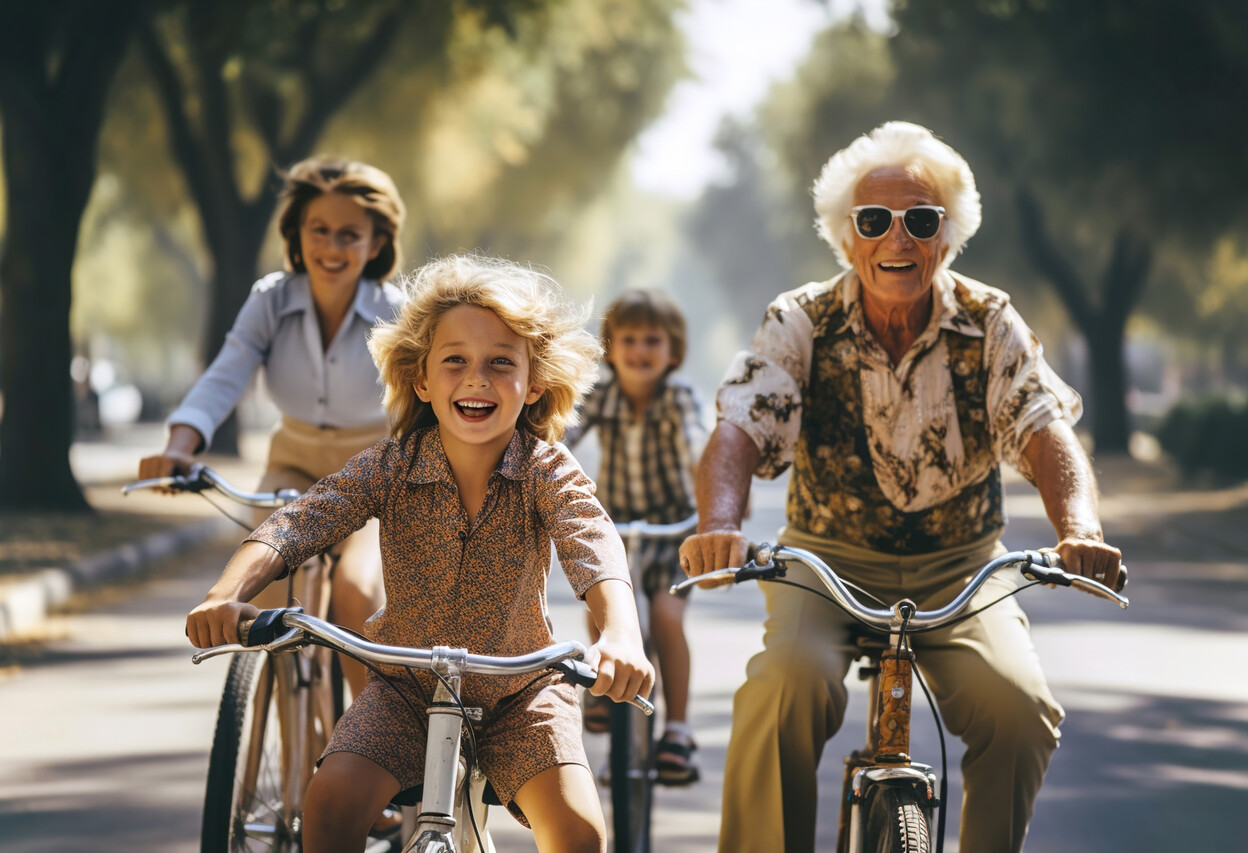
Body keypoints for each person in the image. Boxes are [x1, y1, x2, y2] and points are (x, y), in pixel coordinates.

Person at [678, 121, 1124, 853]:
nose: (898, 239)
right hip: (826, 564)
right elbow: (739, 426)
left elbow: (1044, 429)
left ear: (947, 235)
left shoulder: (990, 321)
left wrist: (1082, 530)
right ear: (846, 238)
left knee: (1021, 708)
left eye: (920, 220)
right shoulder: (802, 319)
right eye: (874, 221)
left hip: (963, 567)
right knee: (783, 687)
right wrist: (719, 523)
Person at [185, 254, 655, 853]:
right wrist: (226, 595)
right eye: (454, 360)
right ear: (422, 379)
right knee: (328, 803)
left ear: (534, 382)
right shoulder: (390, 466)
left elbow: (592, 538)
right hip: (404, 690)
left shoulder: (546, 469)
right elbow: (301, 520)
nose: (476, 379)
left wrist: (620, 634)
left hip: (520, 695)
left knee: (580, 832)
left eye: (500, 363)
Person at [138, 157, 405, 699]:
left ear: (376, 244)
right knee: (253, 603)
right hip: (292, 464)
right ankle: (268, 721)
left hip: (374, 476)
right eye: (319, 231)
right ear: (297, 235)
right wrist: (178, 446)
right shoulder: (271, 300)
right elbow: (226, 372)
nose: (331, 248)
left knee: (356, 591)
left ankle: (373, 743)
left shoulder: (398, 312)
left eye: (349, 235)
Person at [562, 290, 707, 785]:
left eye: (653, 341)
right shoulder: (603, 394)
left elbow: (695, 443)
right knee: (599, 603)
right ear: (610, 346)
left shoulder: (678, 395)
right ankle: (609, 690)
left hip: (674, 531)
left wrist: (711, 497)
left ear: (673, 351)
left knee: (666, 617)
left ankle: (679, 731)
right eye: (628, 339)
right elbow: (565, 434)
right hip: (618, 529)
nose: (640, 350)